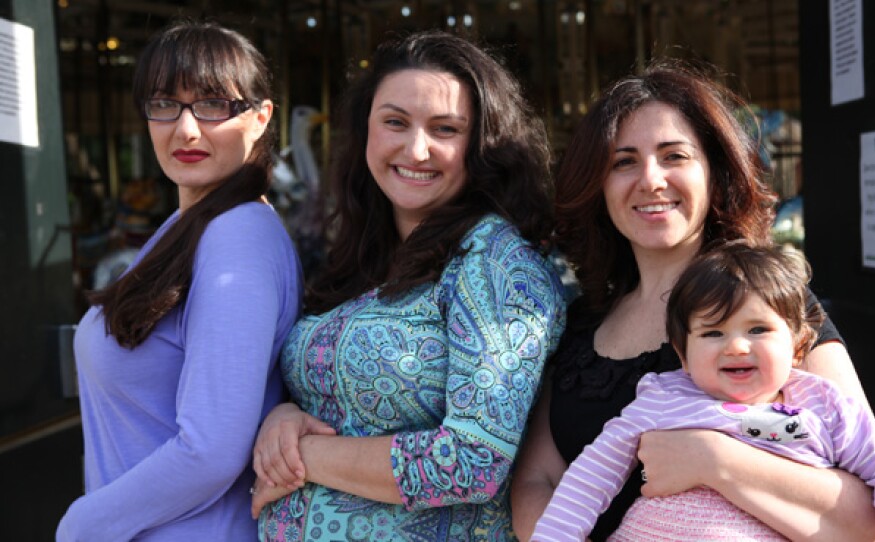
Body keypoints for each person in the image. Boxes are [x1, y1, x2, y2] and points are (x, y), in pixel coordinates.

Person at [510, 59, 875, 542]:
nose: (651, 179)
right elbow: (538, 482)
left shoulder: (774, 311)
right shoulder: (580, 323)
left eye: (674, 156)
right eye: (623, 161)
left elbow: (862, 521)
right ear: (598, 187)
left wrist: (712, 458)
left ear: (715, 172)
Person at [249, 30, 567, 541]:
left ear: (482, 145)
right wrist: (285, 417)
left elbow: (472, 459)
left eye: (445, 129)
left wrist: (301, 456)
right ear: (366, 132)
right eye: (395, 122)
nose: (416, 149)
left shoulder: (493, 261)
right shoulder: (364, 255)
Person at [56, 21, 302, 541]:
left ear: (260, 118)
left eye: (213, 104)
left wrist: (81, 525)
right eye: (166, 103)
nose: (186, 129)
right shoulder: (192, 226)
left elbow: (211, 450)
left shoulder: (237, 236)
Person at [531, 241, 875, 541]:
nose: (737, 347)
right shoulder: (663, 398)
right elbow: (592, 475)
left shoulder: (827, 407)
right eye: (713, 333)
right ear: (683, 355)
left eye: (757, 329)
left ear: (799, 346)